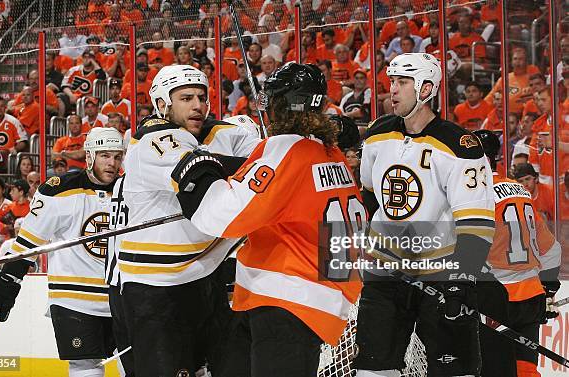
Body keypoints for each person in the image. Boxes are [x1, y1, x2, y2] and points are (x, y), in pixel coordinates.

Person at [171, 62, 363, 376]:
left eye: (271, 102)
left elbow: (225, 215)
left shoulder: (286, 149)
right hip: (304, 294)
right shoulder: (330, 153)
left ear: (282, 107)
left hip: (288, 298)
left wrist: (199, 173)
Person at [354, 53, 495, 377]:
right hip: (386, 274)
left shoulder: (460, 146)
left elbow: (476, 222)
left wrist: (461, 280)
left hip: (441, 275)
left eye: (403, 83)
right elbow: (371, 194)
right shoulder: (377, 135)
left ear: (427, 88)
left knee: (452, 371)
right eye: (392, 82)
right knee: (371, 370)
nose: (393, 90)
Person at [116, 64, 260, 377]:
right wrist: (268, 165)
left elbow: (248, 151)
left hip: (204, 279)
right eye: (186, 98)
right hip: (157, 289)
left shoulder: (210, 133)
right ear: (162, 104)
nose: (198, 105)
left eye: (201, 97)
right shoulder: (152, 139)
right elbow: (198, 169)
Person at [0, 127, 124, 377]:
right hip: (74, 299)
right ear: (90, 156)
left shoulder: (130, 190)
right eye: (104, 155)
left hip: (121, 298)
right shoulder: (59, 190)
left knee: (135, 365)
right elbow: (30, 240)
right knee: (85, 367)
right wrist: (9, 279)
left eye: (116, 156)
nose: (112, 163)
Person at [474, 130, 562, 377]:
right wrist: (548, 290)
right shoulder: (518, 188)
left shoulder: (472, 193)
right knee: (525, 371)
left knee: (493, 370)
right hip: (531, 295)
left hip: (495, 298)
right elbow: (552, 249)